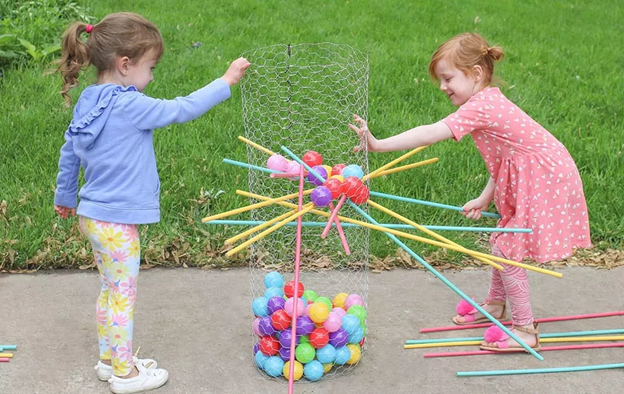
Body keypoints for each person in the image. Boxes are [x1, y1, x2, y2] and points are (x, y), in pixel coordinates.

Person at [350, 32, 591, 352]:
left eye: (448, 78)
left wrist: (379, 145)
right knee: (500, 241)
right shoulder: (485, 102)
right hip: (536, 171)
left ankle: (525, 329)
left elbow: (432, 132)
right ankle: (495, 306)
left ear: (476, 74)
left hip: (545, 176)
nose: (442, 86)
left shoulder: (482, 107)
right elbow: (507, 156)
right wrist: (485, 196)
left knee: (508, 250)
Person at [53, 12, 249, 393]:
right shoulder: (130, 105)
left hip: (93, 216)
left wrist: (65, 196)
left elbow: (69, 152)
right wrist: (225, 81)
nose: (152, 77)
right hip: (117, 222)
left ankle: (110, 361)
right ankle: (125, 374)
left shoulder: (89, 100)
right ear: (125, 65)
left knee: (111, 290)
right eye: (151, 67)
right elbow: (180, 109)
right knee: (122, 295)